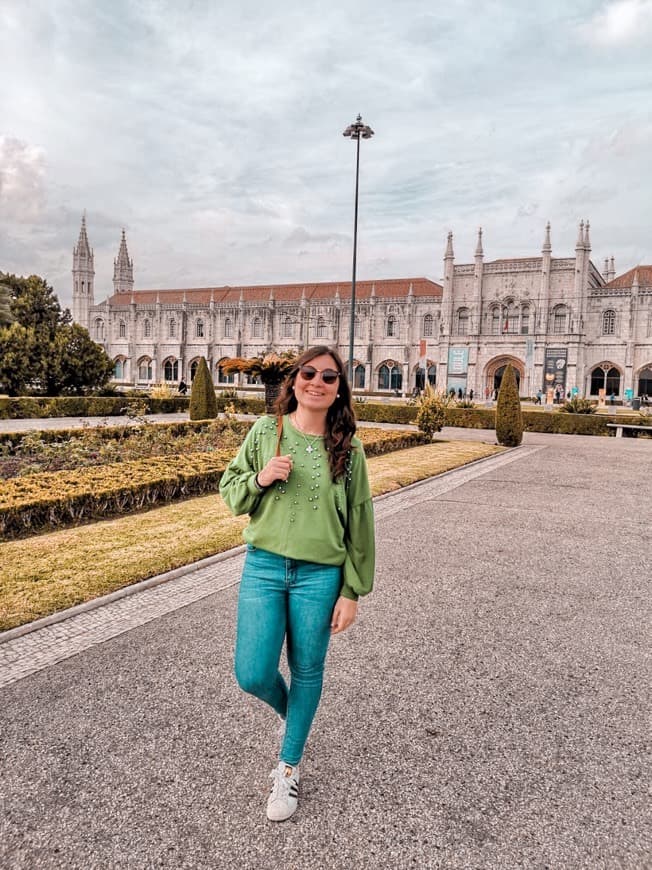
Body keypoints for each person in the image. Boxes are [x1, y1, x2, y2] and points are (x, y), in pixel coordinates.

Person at [219, 345, 375, 822]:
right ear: (295, 380)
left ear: (338, 389)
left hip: (320, 575)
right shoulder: (267, 432)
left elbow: (361, 520)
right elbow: (230, 491)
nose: (317, 382)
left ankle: (288, 766)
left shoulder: (348, 445)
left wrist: (352, 589)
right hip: (264, 566)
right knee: (252, 673)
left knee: (308, 670)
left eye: (329, 377)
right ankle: (296, 720)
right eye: (309, 373)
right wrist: (262, 477)